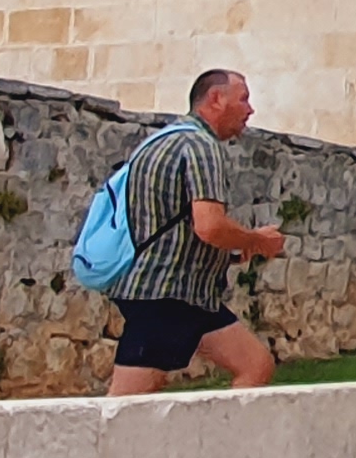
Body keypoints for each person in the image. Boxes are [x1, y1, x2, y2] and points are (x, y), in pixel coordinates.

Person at [103, 67, 286, 394]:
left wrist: (234, 249)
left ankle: (222, 430)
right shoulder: (202, 146)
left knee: (255, 365)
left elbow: (172, 224)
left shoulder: (162, 141)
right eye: (243, 99)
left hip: (187, 294)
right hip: (166, 295)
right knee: (123, 408)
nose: (250, 110)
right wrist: (257, 240)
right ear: (216, 99)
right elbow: (210, 226)